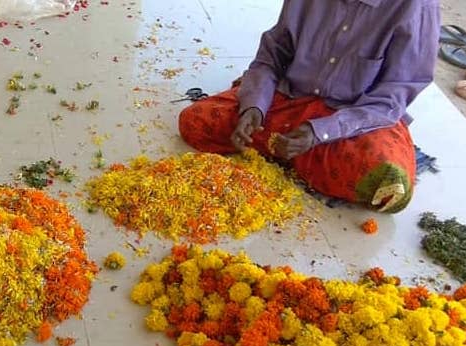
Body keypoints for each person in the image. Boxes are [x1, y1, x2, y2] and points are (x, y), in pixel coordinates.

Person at [179, 0, 441, 212]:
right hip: (290, 98)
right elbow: (272, 56)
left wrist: (320, 132)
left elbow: (392, 98)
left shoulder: (417, 6)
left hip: (353, 117)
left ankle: (291, 148)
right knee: (196, 121)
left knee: (386, 185)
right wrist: (254, 107)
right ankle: (304, 156)